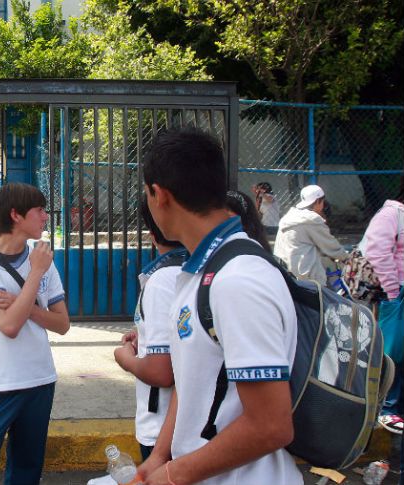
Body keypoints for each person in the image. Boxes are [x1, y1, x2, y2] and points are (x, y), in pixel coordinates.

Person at [137, 128, 302, 485]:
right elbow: (193, 377)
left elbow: (270, 425)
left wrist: (172, 475)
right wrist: (160, 457)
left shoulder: (237, 280)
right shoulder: (199, 272)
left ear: (159, 195)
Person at [0, 182, 70, 485]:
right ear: (16, 216)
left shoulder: (42, 260)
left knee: (26, 470)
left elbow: (62, 323)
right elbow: (9, 327)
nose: (46, 217)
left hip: (39, 379)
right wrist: (34, 275)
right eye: (39, 210)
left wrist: (25, 305)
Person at [114, 194, 186, 463]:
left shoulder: (162, 280)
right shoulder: (201, 269)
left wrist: (126, 359)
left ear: (153, 234)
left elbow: (161, 373)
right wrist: (146, 336)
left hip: (163, 427)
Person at [363, 182, 404, 436]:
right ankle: (388, 409)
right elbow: (377, 252)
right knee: (393, 352)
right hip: (399, 293)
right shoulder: (391, 214)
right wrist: (393, 291)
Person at [273, 184, 349, 286]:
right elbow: (331, 247)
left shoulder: (289, 216)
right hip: (306, 273)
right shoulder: (312, 219)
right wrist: (347, 257)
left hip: (285, 269)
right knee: (325, 296)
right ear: (318, 201)